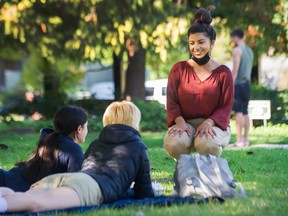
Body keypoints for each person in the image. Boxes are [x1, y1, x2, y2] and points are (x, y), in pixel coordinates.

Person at [0, 101, 154, 213]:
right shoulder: (138, 147)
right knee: (36, 204)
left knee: (20, 197)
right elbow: (144, 193)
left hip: (64, 179)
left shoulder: (96, 144)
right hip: (86, 186)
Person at [163, 7, 234, 160]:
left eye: (201, 42)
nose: (196, 47)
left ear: (212, 43)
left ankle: (209, 172)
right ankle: (184, 170)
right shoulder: (178, 69)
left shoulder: (223, 73)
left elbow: (226, 106)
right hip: (185, 123)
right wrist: (180, 123)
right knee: (173, 143)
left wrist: (208, 123)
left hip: (213, 125)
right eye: (192, 43)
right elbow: (172, 102)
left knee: (207, 144)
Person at [0, 106, 87, 192]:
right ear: (79, 129)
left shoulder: (49, 138)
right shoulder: (73, 149)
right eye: (86, 126)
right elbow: (78, 184)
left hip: (9, 179)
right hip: (10, 186)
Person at [230, 29, 254, 147]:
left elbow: (235, 69)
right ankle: (246, 140)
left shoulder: (237, 50)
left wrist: (230, 84)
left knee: (238, 112)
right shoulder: (249, 51)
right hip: (247, 85)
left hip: (238, 84)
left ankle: (239, 141)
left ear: (235, 37)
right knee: (245, 112)